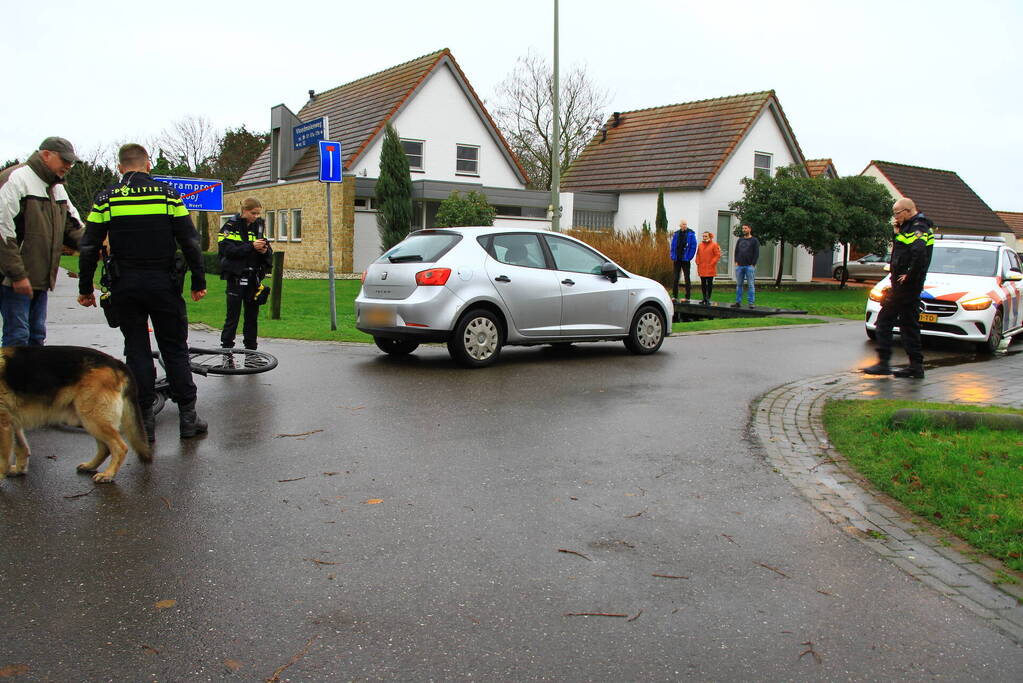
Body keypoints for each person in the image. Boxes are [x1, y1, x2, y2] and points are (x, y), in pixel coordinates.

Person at [77, 143, 208, 441]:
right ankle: (188, 418)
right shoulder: (168, 195)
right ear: (148, 165)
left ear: (120, 167)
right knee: (174, 349)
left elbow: (88, 247)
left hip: (126, 286)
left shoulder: (106, 198)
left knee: (136, 349)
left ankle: (145, 422)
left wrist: (86, 288)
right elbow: (190, 241)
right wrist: (198, 281)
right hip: (164, 284)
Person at [0, 137, 84, 346]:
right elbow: (3, 232)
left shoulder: (57, 187)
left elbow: (72, 227)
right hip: (11, 278)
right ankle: (12, 380)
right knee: (17, 337)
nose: (69, 166)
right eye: (64, 160)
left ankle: (32, 380)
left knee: (36, 336)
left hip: (39, 277)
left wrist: (95, 246)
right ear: (46, 155)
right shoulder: (16, 179)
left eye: (71, 162)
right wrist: (17, 275)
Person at [862, 198, 934, 378]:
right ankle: (916, 367)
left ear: (908, 210)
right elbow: (902, 250)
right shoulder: (908, 227)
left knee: (884, 322)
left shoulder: (918, 227)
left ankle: (884, 363)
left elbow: (919, 253)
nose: (895, 217)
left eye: (897, 213)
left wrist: (908, 275)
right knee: (909, 326)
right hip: (905, 285)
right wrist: (896, 232)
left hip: (905, 287)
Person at [218, 197, 272, 350]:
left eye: (258, 214)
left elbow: (265, 248)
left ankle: (251, 349)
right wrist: (251, 247)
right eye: (253, 213)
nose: (256, 217)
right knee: (232, 316)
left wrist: (265, 250)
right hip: (236, 276)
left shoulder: (258, 226)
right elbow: (227, 250)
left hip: (253, 277)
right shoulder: (230, 226)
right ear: (245, 211)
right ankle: (227, 348)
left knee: (252, 316)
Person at [731, 224, 759, 309]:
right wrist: (736, 261)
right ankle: (738, 302)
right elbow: (736, 251)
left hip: (749, 266)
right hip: (739, 266)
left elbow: (756, 253)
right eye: (743, 228)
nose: (743, 230)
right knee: (739, 284)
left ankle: (751, 303)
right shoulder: (740, 240)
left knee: (750, 285)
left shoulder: (754, 240)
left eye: (745, 228)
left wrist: (753, 264)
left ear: (749, 229)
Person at [669, 219, 697, 301]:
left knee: (687, 278)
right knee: (675, 278)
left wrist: (689, 257)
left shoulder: (691, 233)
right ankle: (674, 296)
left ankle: (687, 297)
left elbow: (693, 246)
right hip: (677, 259)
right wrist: (672, 256)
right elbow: (673, 246)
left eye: (685, 224)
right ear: (680, 225)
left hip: (685, 259)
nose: (685, 225)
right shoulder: (676, 234)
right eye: (683, 224)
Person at [694, 231, 721, 305]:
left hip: (710, 268)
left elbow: (717, 255)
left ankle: (708, 298)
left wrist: (712, 263)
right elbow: (698, 254)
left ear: (709, 237)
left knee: (709, 283)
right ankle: (704, 298)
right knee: (703, 284)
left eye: (706, 236)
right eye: (703, 236)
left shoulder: (714, 245)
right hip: (702, 267)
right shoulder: (700, 245)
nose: (704, 237)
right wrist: (697, 262)